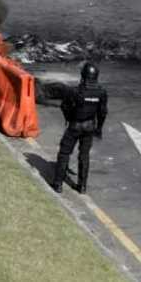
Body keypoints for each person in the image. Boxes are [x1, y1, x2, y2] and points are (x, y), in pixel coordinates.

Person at [52, 62, 108, 194]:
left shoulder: (75, 91)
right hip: (89, 127)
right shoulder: (101, 92)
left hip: (74, 126)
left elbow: (64, 106)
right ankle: (82, 186)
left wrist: (69, 118)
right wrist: (99, 128)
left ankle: (58, 184)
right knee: (84, 156)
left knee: (64, 153)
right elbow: (102, 112)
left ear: (83, 75)